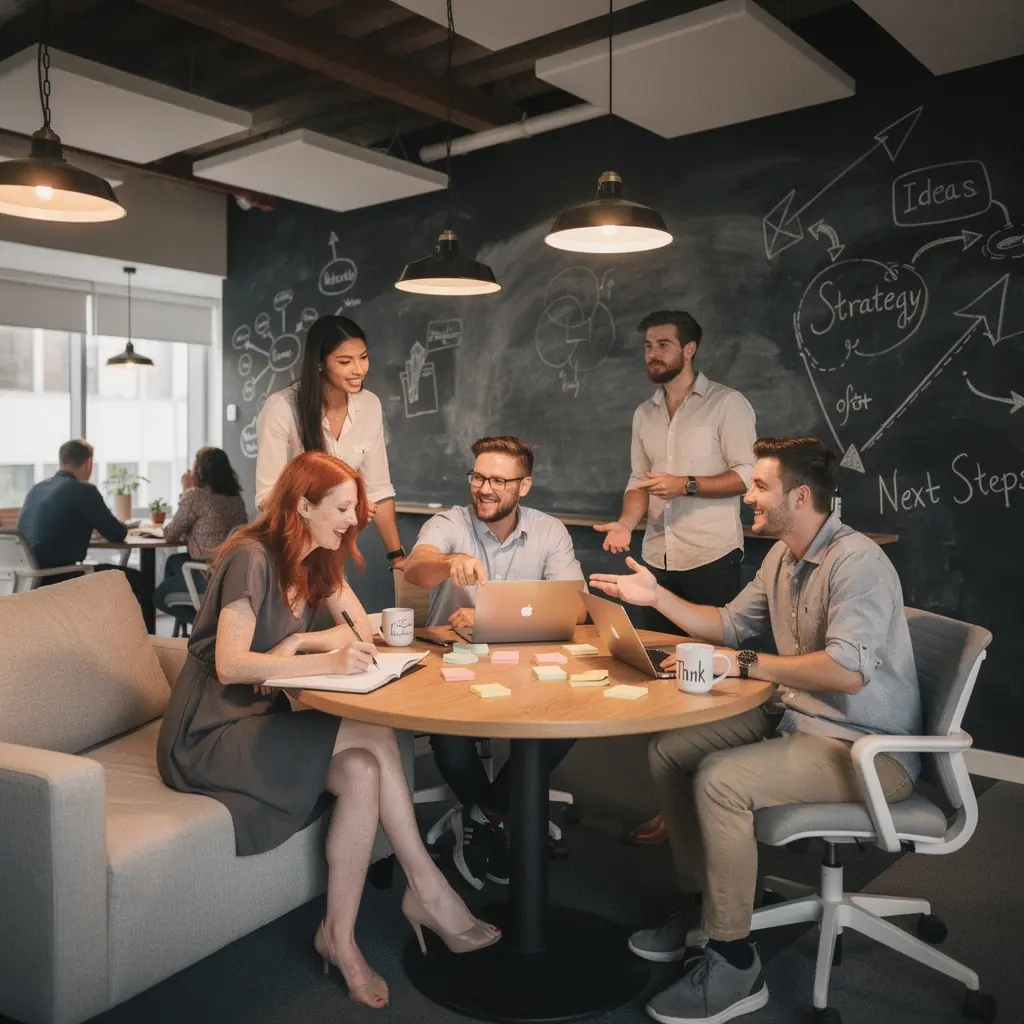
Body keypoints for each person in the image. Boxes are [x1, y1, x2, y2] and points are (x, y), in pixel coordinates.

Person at [591, 438, 921, 1024]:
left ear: (799, 495)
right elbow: (724, 625)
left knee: (721, 779)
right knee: (672, 749)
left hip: (866, 746)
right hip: (802, 718)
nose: (748, 496)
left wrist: (744, 665)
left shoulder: (857, 561)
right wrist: (655, 596)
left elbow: (847, 671)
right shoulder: (783, 557)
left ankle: (734, 961)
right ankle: (706, 910)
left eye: (760, 487)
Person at [156, 451, 498, 1011]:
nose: (351, 520)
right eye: (342, 508)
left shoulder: (315, 557)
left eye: (355, 509)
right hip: (208, 731)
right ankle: (428, 889)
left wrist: (303, 643)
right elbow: (231, 666)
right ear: (302, 504)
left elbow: (361, 628)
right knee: (375, 736)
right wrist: (319, 661)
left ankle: (339, 937)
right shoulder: (251, 557)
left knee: (363, 768)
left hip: (258, 719)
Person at [593, 311, 756, 847]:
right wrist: (624, 523)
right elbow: (639, 485)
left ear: (690, 351)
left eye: (663, 345)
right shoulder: (644, 413)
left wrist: (685, 483)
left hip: (711, 558)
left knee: (711, 683)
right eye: (647, 346)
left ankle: (721, 799)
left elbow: (748, 477)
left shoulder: (728, 404)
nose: (652, 354)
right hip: (655, 562)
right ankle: (672, 806)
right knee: (661, 681)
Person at [401, 436, 586, 890]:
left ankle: (484, 815)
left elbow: (575, 608)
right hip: (452, 665)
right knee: (451, 739)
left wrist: (490, 617)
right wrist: (448, 561)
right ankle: (500, 814)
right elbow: (415, 567)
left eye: (498, 480)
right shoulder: (451, 523)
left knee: (571, 720)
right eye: (478, 476)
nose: (484, 488)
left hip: (524, 666)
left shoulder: (549, 532)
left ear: (524, 486)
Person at [255, 315, 407, 569]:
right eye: (345, 361)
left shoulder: (369, 405)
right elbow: (267, 497)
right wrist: (332, 505)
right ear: (319, 364)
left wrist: (397, 556)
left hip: (332, 551)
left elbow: (379, 490)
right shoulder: (282, 408)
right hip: (284, 550)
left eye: (364, 357)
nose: (359, 369)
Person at [16, 439, 151, 615]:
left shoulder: (37, 489)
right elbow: (117, 534)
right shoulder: (83, 490)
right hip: (61, 576)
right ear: (88, 463)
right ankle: (141, 641)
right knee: (142, 581)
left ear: (61, 462)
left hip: (27, 578)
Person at [152, 447, 248, 624]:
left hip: (207, 573)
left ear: (200, 471)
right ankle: (190, 616)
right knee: (173, 562)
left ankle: (204, 626)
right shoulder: (236, 499)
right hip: (230, 572)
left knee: (158, 596)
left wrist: (186, 488)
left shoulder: (195, 496)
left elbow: (170, 534)